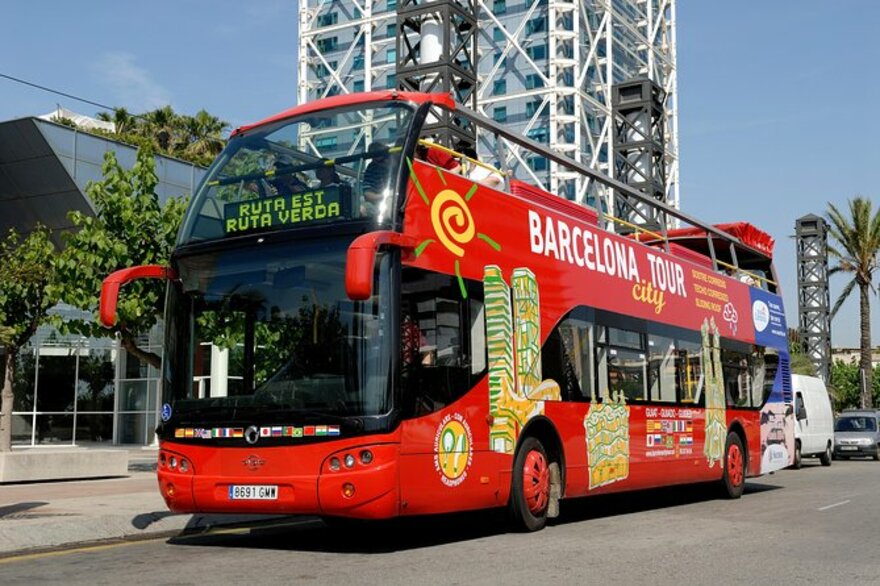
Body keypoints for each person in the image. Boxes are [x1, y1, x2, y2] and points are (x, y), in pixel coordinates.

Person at [362, 142, 393, 215]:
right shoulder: (371, 169)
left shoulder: (400, 166)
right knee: (362, 208)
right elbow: (367, 194)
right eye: (380, 160)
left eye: (386, 156)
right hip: (379, 204)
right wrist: (384, 196)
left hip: (398, 202)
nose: (386, 161)